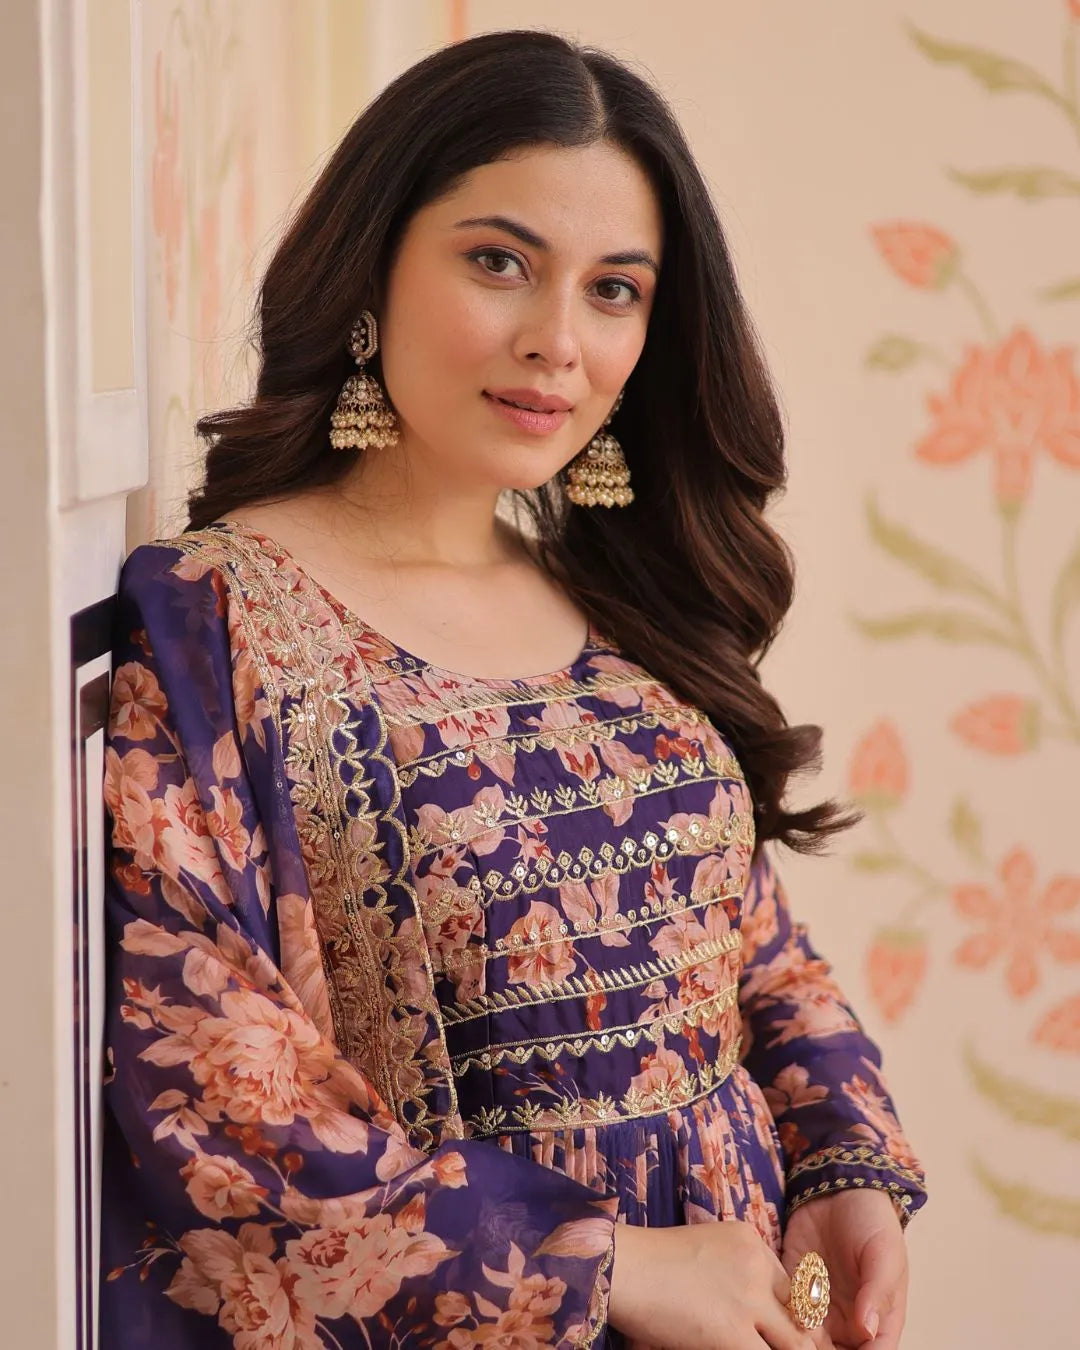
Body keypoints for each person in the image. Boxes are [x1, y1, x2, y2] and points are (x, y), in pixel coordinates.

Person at [100, 29, 926, 1350]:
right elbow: (215, 1109)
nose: (558, 342)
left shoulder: (621, 604)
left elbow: (753, 948)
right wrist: (611, 1266)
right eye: (499, 263)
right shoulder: (224, 627)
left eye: (616, 290)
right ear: (370, 268)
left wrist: (847, 1168)